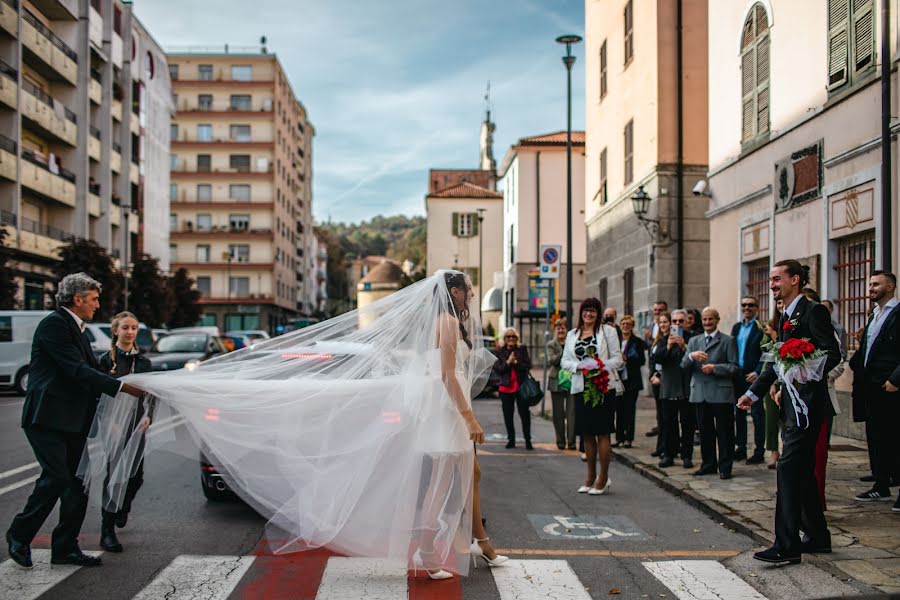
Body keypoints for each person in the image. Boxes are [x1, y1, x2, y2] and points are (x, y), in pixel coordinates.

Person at [81, 270, 504, 576]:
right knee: (446, 481)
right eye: (467, 289)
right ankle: (435, 552)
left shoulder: (440, 325)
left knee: (464, 475)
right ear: (454, 292)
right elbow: (447, 376)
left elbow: (434, 372)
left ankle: (475, 545)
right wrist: (467, 416)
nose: (471, 294)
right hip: (447, 415)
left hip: (442, 412)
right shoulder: (448, 323)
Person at [6, 273, 146, 570]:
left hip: (72, 420)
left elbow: (94, 371)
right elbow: (76, 371)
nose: (97, 304)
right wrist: (121, 387)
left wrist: (131, 384)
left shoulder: (77, 329)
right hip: (47, 418)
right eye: (94, 299)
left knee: (78, 484)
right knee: (57, 477)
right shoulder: (55, 325)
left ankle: (65, 547)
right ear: (77, 298)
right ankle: (19, 534)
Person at [738, 260, 841, 565]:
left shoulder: (813, 311)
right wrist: (752, 393)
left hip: (808, 406)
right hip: (791, 406)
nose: (771, 284)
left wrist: (804, 370)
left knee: (787, 468)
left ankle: (786, 544)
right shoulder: (785, 315)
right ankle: (818, 537)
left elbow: (831, 353)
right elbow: (776, 361)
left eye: (776, 279)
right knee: (802, 472)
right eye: (770, 280)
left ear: (794, 280)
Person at [96, 311, 154, 553]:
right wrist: (109, 422)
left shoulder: (144, 362)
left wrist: (149, 416)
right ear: (115, 331)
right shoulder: (104, 360)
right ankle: (107, 531)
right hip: (113, 425)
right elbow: (97, 394)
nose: (130, 332)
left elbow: (151, 394)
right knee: (114, 476)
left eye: (134, 328)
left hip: (136, 423)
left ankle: (124, 506)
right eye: (125, 328)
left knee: (135, 476)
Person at [561, 298, 623, 495]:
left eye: (593, 311)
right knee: (587, 433)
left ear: (598, 313)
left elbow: (618, 359)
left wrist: (599, 367)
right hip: (581, 387)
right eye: (585, 310)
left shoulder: (608, 332)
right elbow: (565, 361)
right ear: (581, 313)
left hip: (603, 385)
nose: (589, 314)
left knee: (602, 432)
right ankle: (589, 476)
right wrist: (579, 366)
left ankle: (603, 477)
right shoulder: (572, 334)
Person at [849, 271, 900, 510]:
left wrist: (896, 379)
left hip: (891, 387)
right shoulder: (875, 314)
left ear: (890, 286)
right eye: (869, 283)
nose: (870, 288)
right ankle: (880, 485)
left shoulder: (897, 314)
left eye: (876, 284)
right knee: (876, 438)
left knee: (895, 439)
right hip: (872, 388)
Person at [682, 307, 739, 479]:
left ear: (717, 320)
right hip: (700, 392)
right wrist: (691, 356)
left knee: (725, 432)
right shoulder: (693, 341)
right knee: (705, 432)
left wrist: (715, 368)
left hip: (721, 392)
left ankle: (725, 467)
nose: (707, 322)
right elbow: (683, 366)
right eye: (705, 319)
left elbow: (734, 367)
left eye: (711, 319)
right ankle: (708, 465)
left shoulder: (728, 340)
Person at [652, 310, 695, 469]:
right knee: (668, 422)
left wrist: (684, 346)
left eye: (681, 321)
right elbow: (657, 359)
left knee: (687, 423)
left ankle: (686, 455)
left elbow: (694, 360)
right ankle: (668, 454)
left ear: (687, 322)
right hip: (669, 386)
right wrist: (669, 346)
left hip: (685, 386)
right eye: (675, 321)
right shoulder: (663, 340)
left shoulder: (692, 338)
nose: (678, 324)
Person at [732, 296, 765, 464]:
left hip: (754, 376)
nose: (747, 308)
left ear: (757, 308)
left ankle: (759, 451)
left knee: (758, 415)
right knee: (739, 413)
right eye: (744, 305)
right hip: (738, 375)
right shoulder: (737, 327)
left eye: (751, 305)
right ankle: (741, 448)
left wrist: (758, 372)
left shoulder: (762, 328)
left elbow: (766, 353)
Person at [494, 327, 534, 450]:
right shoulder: (499, 352)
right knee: (508, 415)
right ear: (504, 339)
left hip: (521, 387)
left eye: (513, 337)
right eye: (508, 337)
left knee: (525, 415)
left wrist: (515, 363)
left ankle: (528, 440)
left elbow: (528, 366)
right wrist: (507, 362)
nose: (511, 339)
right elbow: (498, 369)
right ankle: (511, 439)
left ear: (517, 339)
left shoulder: (522, 349)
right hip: (506, 388)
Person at [615, 315, 645, 448]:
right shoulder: (616, 341)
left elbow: (642, 361)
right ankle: (619, 437)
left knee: (630, 410)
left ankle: (628, 438)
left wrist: (627, 359)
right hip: (617, 380)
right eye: (623, 324)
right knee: (619, 410)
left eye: (628, 324)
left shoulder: (637, 342)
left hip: (631, 380)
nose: (625, 326)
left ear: (632, 326)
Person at [546, 317, 575, 450]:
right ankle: (560, 441)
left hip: (571, 381)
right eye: (558, 328)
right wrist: (564, 352)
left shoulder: (573, 343)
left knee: (572, 413)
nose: (561, 330)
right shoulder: (551, 344)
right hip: (556, 381)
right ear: (555, 330)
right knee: (558, 414)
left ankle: (572, 441)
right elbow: (552, 361)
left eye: (563, 328)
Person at [644, 300, 668, 443]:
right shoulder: (652, 327)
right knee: (660, 411)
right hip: (655, 375)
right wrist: (653, 374)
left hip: (666, 378)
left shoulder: (668, 335)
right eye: (656, 311)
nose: (657, 313)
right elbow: (652, 353)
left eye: (660, 310)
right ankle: (661, 440)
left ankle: (666, 443)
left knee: (667, 414)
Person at [758, 318, 781, 469]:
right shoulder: (771, 324)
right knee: (771, 419)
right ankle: (774, 451)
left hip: (786, 377)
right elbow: (764, 348)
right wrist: (770, 334)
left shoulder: (793, 324)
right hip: (769, 375)